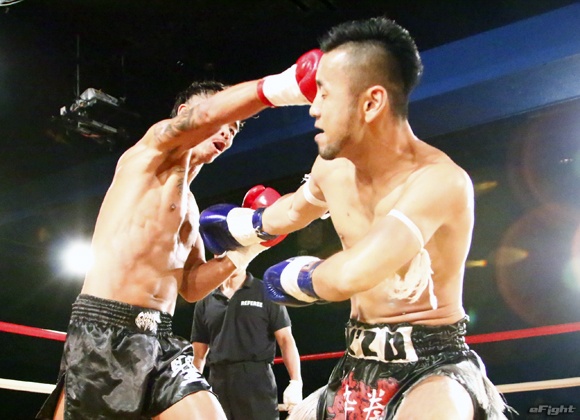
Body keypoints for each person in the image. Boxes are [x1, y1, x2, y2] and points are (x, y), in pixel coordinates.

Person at [198, 17, 510, 419]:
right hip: (355, 363)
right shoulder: (332, 168)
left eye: (324, 95)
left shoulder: (439, 181)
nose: (313, 108)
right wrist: (245, 226)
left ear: (371, 102)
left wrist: (299, 278)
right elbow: (290, 212)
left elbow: (354, 273)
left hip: (432, 367)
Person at [36, 48, 322, 420]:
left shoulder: (190, 207)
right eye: (226, 120)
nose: (228, 131)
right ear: (186, 114)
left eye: (235, 128)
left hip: (160, 340)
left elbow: (191, 286)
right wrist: (285, 87)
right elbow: (207, 115)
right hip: (105, 331)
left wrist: (248, 249)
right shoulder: (149, 154)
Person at [191, 267, 303, 420]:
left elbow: (285, 340)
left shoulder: (265, 292)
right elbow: (198, 354)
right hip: (218, 381)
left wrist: (296, 381)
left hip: (256, 380)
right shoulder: (205, 299)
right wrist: (193, 388)